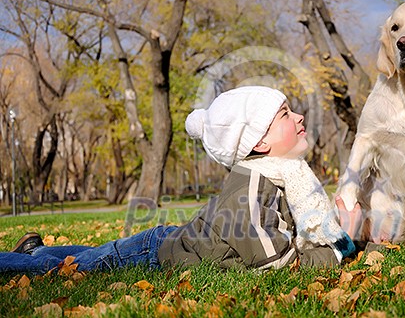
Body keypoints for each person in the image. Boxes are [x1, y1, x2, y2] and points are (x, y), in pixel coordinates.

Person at [0, 85, 363, 275]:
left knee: (92, 256)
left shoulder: (278, 175)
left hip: (168, 240)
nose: (299, 117)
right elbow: (280, 263)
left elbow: (303, 238)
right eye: (285, 114)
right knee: (71, 269)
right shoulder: (252, 186)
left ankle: (36, 251)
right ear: (259, 142)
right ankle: (26, 260)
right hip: (154, 256)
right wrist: (340, 247)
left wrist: (360, 243)